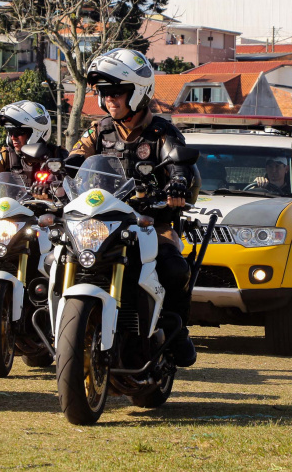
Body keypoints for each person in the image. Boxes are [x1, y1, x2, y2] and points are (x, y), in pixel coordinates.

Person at [65, 48, 198, 367]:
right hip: (104, 220)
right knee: (60, 252)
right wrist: (58, 177)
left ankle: (176, 329)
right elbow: (74, 161)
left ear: (139, 92)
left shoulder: (161, 132)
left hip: (151, 221)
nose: (109, 98)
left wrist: (178, 184)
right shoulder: (99, 131)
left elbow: (180, 164)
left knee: (173, 266)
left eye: (117, 91)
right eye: (104, 91)